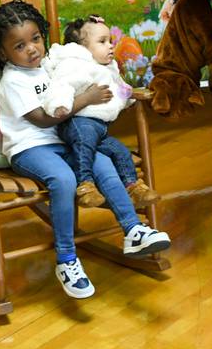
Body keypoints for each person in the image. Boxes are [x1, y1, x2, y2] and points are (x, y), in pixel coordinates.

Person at [0, 0, 171, 299]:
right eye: (20, 46)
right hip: (30, 148)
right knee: (65, 180)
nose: (32, 49)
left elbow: (77, 66)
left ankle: (134, 230)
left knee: (104, 164)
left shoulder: (49, 66)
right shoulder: (13, 80)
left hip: (63, 141)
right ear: (3, 53)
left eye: (36, 39)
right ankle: (67, 259)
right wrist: (86, 99)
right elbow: (43, 120)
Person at [42, 15, 160, 208]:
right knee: (85, 141)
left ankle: (133, 185)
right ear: (82, 48)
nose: (111, 46)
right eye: (102, 42)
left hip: (101, 128)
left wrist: (128, 96)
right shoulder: (74, 64)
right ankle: (85, 185)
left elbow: (119, 87)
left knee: (120, 151)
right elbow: (61, 84)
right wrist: (59, 103)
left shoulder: (107, 66)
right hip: (78, 122)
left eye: (110, 41)